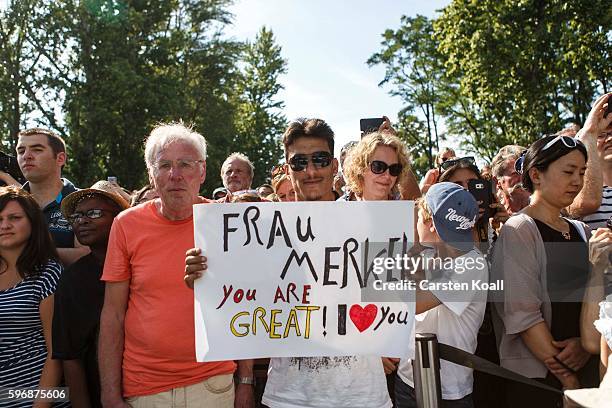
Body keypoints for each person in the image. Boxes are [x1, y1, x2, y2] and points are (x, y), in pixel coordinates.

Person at [186, 118, 393, 408]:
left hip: (362, 396)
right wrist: (204, 280)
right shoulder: (260, 231)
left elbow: (395, 298)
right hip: (288, 397)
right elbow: (240, 303)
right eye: (299, 162)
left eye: (319, 160)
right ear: (287, 168)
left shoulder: (370, 222)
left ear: (334, 166)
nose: (310, 171)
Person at [99, 123, 244, 408]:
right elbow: (113, 314)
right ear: (152, 175)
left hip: (212, 384)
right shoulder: (126, 224)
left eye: (185, 164)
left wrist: (247, 381)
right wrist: (109, 394)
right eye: (164, 165)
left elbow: (251, 303)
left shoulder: (228, 224)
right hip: (145, 388)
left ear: (201, 171)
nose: (175, 175)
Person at [492, 135, 599, 407]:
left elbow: (590, 302)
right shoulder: (519, 230)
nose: (577, 180)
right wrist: (569, 380)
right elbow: (523, 317)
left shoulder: (580, 231)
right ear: (536, 175)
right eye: (568, 171)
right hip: (538, 382)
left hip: (584, 373)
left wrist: (584, 346)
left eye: (582, 172)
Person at [396, 182, 487, 408]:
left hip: (449, 391)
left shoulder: (472, 263)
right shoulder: (427, 256)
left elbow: (414, 303)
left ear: (431, 223)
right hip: (408, 379)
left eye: (419, 217)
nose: (415, 223)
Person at [52, 181, 129, 408]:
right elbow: (70, 356)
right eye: (76, 216)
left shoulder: (144, 266)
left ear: (119, 218)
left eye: (94, 213)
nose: (82, 221)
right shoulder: (72, 280)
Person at [0, 186, 67, 408]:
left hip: (38, 398)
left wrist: (40, 405)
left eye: (14, 218)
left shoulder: (47, 273)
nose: (4, 225)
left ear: (33, 222)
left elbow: (55, 353)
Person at [16, 128, 89, 266]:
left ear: (60, 158)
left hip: (67, 286)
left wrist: (31, 252)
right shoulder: (7, 203)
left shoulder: (84, 201)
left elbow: (88, 255)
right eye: (21, 151)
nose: (26, 156)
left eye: (37, 149)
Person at [579, 94, 612, 229]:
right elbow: (588, 203)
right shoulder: (573, 189)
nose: (609, 139)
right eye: (602, 134)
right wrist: (590, 132)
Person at [490, 145, 530, 215]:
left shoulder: (546, 213)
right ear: (497, 182)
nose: (523, 178)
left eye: (526, 172)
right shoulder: (494, 217)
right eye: (516, 173)